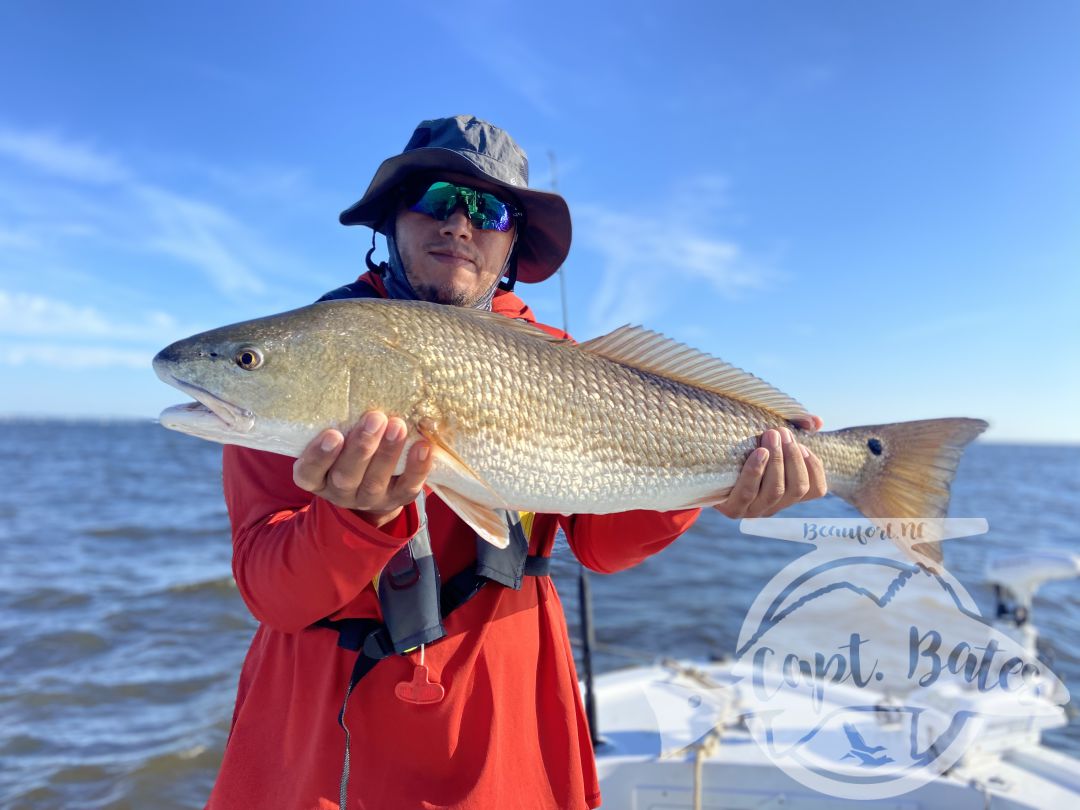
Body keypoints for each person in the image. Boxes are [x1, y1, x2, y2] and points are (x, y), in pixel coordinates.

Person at [208, 115, 827, 810]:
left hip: (506, 702)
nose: (460, 225)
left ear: (512, 241)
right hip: (327, 728)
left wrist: (712, 487)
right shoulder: (311, 358)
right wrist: (357, 517)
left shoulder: (559, 354)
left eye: (490, 209)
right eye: (437, 199)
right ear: (391, 218)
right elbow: (273, 592)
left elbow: (601, 545)